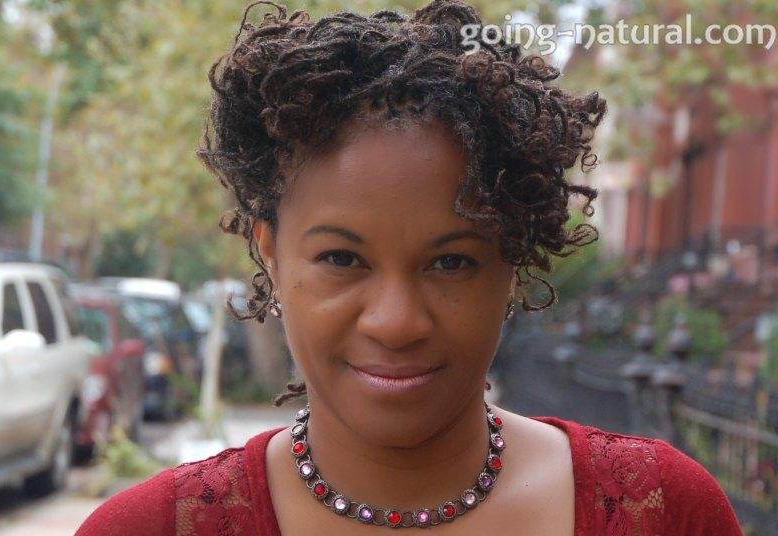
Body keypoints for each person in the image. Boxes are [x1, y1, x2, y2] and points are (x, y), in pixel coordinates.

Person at [77, 0, 743, 534]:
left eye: (451, 261)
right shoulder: (149, 528)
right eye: (342, 258)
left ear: (512, 263)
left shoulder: (661, 513)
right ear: (272, 255)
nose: (396, 322)